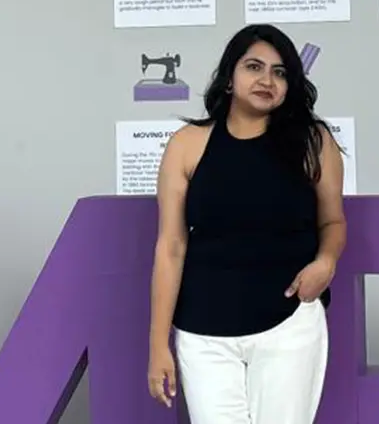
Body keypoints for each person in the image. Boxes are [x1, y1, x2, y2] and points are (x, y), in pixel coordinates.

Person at [146, 23, 347, 424]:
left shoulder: (313, 141)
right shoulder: (187, 144)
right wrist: (158, 343)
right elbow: (171, 246)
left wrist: (326, 263)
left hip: (289, 323)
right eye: (254, 66)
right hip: (203, 331)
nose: (266, 80)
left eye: (280, 72)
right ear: (229, 77)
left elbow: (333, 222)